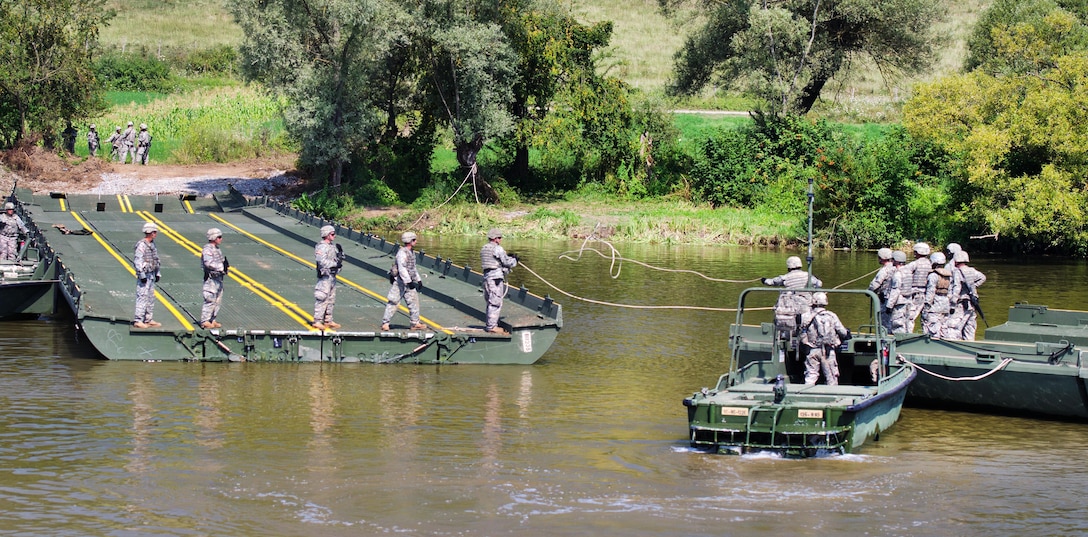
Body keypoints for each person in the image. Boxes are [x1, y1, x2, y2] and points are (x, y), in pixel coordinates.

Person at [799, 292, 851, 386]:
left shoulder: (805, 316)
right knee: (831, 377)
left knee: (811, 375)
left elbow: (800, 330)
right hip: (828, 351)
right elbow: (842, 332)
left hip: (812, 350)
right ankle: (833, 396)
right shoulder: (832, 316)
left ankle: (806, 393)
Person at [762, 255, 822, 336]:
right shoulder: (808, 276)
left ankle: (786, 334)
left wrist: (764, 280)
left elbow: (771, 282)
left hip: (790, 307)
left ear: (789, 267)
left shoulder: (786, 277)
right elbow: (819, 284)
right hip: (807, 306)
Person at [381, 231, 425, 331]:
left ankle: (415, 322)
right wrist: (409, 281)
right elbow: (402, 268)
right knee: (393, 302)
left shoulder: (411, 253)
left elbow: (412, 267)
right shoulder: (402, 253)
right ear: (410, 241)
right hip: (400, 283)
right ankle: (385, 323)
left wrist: (418, 279)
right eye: (414, 240)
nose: (416, 241)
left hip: (409, 282)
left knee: (414, 302)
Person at [480, 228, 518, 334]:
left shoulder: (484, 248)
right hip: (495, 279)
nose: (500, 240)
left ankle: (490, 324)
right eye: (500, 238)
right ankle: (492, 327)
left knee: (490, 301)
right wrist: (515, 260)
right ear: (496, 238)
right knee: (495, 302)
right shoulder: (498, 249)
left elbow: (495, 261)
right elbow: (507, 262)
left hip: (487, 278)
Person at [947, 251, 987, 340]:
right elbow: (983, 277)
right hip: (973, 304)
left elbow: (957, 287)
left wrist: (952, 304)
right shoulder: (971, 270)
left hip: (961, 304)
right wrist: (973, 285)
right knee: (970, 328)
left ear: (956, 261)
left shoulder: (956, 271)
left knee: (953, 329)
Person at [312, 225, 342, 330]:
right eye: (332, 234)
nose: (334, 236)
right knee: (322, 297)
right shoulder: (322, 246)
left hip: (332, 276)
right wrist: (334, 264)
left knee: (331, 299)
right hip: (325, 276)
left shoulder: (332, 246)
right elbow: (321, 261)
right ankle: (317, 320)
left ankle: (328, 320)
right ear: (326, 235)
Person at [133, 222, 162, 329]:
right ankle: (138, 320)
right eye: (154, 232)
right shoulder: (141, 245)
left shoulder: (152, 244)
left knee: (150, 297)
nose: (156, 234)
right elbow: (138, 261)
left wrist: (158, 273)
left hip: (151, 274)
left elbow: (156, 259)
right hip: (144, 276)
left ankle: (148, 319)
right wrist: (142, 275)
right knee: (142, 297)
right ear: (149, 232)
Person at [200, 228, 228, 329]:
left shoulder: (217, 249)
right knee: (210, 299)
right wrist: (221, 267)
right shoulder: (208, 249)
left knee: (217, 300)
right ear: (213, 237)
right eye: (219, 237)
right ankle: (205, 320)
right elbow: (208, 263)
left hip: (218, 278)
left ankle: (212, 319)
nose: (220, 239)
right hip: (211, 279)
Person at [922, 252, 952, 338]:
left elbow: (930, 293)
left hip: (934, 306)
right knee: (944, 330)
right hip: (946, 305)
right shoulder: (948, 275)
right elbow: (950, 292)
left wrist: (926, 308)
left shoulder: (933, 275)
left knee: (931, 329)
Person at [904, 242, 932, 333]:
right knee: (926, 319)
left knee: (909, 317)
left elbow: (903, 272)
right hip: (928, 295)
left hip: (915, 294)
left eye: (915, 251)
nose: (914, 253)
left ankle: (908, 335)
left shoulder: (914, 264)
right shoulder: (930, 263)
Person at [867, 247, 896, 334]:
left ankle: (884, 341)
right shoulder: (897, 268)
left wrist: (869, 291)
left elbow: (876, 283)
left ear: (882, 258)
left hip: (885, 299)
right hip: (896, 299)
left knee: (884, 322)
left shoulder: (884, 270)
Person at [885, 250, 912, 334]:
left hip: (899, 304)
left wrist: (889, 305)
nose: (891, 261)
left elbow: (895, 290)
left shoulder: (898, 274)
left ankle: (898, 344)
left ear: (896, 260)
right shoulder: (909, 272)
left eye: (892, 259)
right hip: (907, 302)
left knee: (897, 325)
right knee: (906, 324)